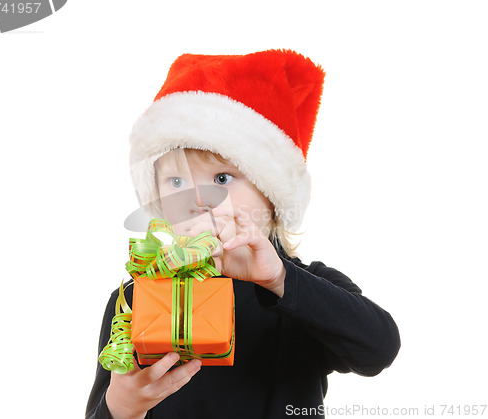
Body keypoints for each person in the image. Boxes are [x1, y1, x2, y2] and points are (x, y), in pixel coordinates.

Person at [86, 49, 400, 419]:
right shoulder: (136, 297)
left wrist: (279, 278)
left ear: (270, 194)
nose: (197, 200)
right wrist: (120, 408)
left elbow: (378, 349)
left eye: (222, 178)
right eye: (175, 181)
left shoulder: (304, 287)